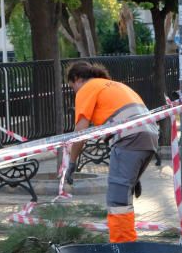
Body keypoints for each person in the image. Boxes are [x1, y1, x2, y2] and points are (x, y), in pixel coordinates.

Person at [65, 61, 158, 243]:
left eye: (71, 87)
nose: (74, 92)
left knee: (117, 202)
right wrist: (133, 177)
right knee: (123, 196)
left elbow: (80, 132)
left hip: (129, 139)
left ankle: (123, 251)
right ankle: (127, 246)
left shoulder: (87, 88)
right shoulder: (116, 85)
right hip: (150, 137)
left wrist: (72, 162)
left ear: (76, 79)